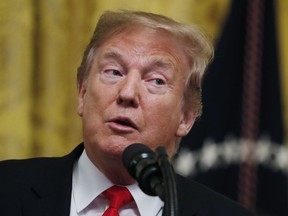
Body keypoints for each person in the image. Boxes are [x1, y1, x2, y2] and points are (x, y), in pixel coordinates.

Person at [0, 10, 256, 216]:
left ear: (186, 117)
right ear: (82, 93)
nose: (128, 93)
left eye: (156, 80)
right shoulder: (7, 189)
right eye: (114, 72)